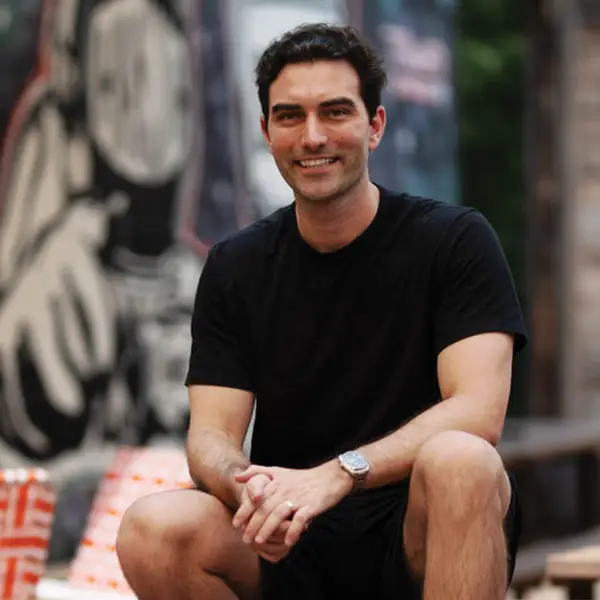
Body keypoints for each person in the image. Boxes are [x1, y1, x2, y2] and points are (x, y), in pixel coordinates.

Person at [116, 23, 527, 600]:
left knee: (463, 460)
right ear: (266, 132)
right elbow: (209, 435)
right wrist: (247, 487)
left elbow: (479, 412)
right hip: (288, 531)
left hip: (417, 530)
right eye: (290, 116)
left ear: (374, 126)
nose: (313, 136)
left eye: (335, 112)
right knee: (152, 528)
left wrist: (338, 474)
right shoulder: (237, 265)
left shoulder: (454, 240)